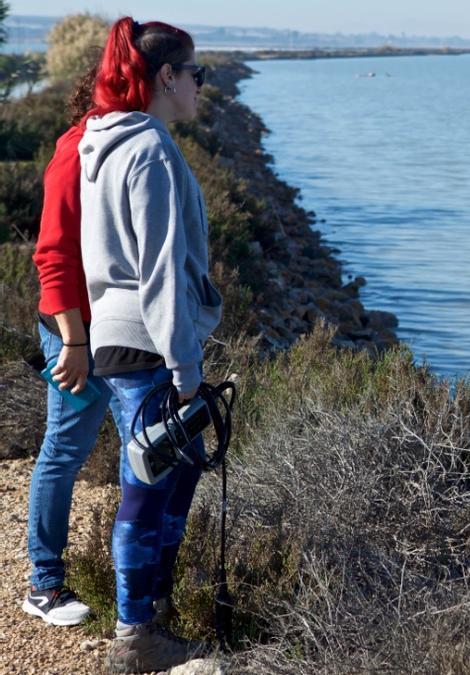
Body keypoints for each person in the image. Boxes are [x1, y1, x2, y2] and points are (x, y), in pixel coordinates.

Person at [78, 17, 219, 672]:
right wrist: (187, 367)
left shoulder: (100, 143)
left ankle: (153, 616)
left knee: (169, 474)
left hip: (117, 337)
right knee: (146, 487)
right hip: (150, 345)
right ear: (167, 77)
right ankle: (136, 635)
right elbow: (160, 269)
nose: (200, 86)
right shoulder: (152, 151)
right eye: (196, 74)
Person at [22, 66, 124, 628]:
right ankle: (45, 585)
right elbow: (52, 257)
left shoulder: (126, 143)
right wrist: (74, 340)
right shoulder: (76, 150)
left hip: (115, 331)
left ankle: (136, 584)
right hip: (78, 335)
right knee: (63, 450)